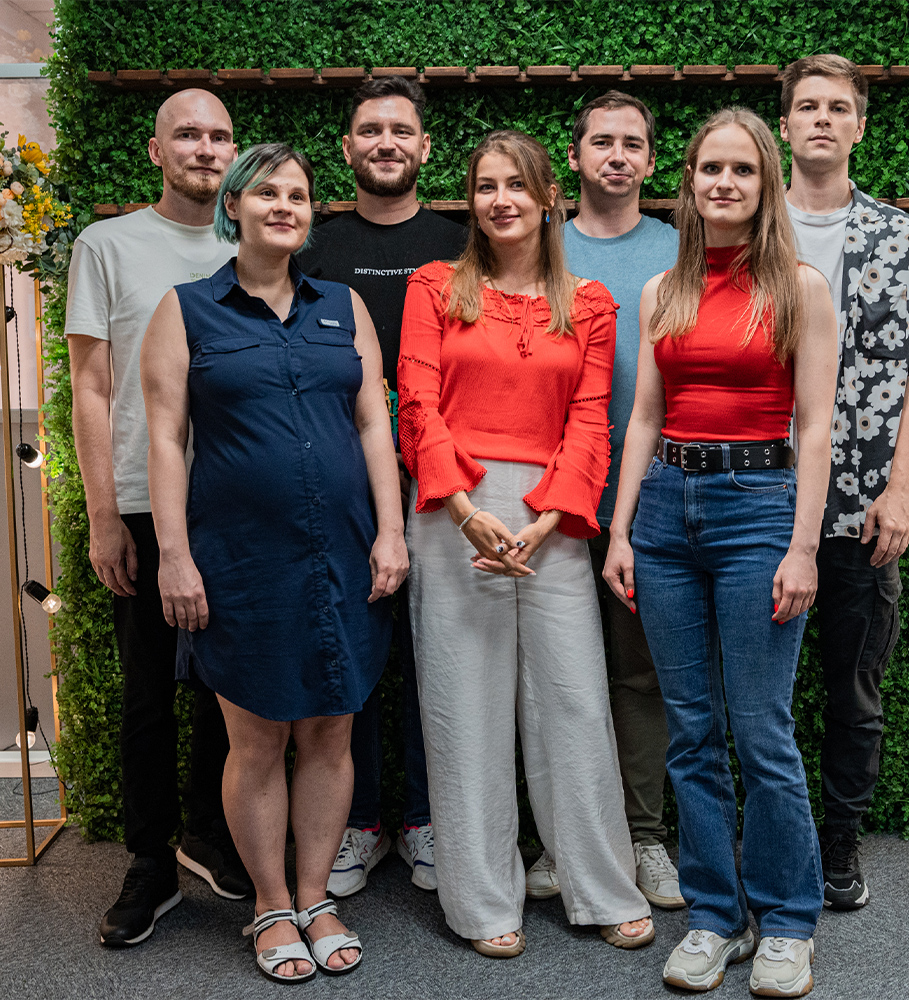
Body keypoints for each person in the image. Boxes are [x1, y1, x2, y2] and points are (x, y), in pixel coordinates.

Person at [141, 143, 407, 981]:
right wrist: (175, 556)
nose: (284, 206)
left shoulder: (343, 306)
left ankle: (316, 897)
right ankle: (269, 905)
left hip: (343, 555)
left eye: (297, 194)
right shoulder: (186, 310)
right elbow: (165, 439)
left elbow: (374, 422)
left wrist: (391, 531)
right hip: (240, 564)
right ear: (235, 206)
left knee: (331, 732)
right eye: (266, 194)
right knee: (254, 740)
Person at [398, 129, 653, 959]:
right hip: (453, 508)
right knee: (463, 708)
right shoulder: (435, 287)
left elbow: (590, 418)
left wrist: (548, 519)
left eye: (517, 185)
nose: (500, 199)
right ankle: (481, 903)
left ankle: (603, 887)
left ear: (549, 197)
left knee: (574, 703)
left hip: (554, 516)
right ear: (470, 200)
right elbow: (417, 404)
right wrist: (465, 511)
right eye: (485, 185)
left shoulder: (589, 303)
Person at [604, 108, 838, 995]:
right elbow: (644, 418)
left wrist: (803, 547)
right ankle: (714, 916)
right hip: (666, 513)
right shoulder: (662, 290)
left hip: (758, 512)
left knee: (762, 729)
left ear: (766, 183)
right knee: (691, 730)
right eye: (711, 168)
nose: (725, 182)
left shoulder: (800, 288)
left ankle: (787, 922)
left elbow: (815, 428)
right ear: (691, 182)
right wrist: (622, 529)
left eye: (743, 169)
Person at [778, 54, 909, 909]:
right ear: (785, 124)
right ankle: (771, 841)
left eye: (837, 107)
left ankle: (840, 847)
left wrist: (900, 490)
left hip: (861, 506)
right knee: (760, 693)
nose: (822, 118)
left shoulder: (902, 239)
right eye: (807, 106)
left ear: (859, 126)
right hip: (765, 499)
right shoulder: (752, 231)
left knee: (854, 691)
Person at [65, 89, 249, 948]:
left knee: (230, 686)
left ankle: (208, 835)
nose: (205, 149)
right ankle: (149, 861)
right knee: (147, 694)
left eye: (219, 137)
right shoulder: (107, 245)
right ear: (155, 151)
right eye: (188, 135)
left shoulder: (251, 242)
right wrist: (105, 513)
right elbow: (91, 387)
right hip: (142, 500)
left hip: (234, 501)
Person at [296, 76, 466, 895]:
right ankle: (358, 822)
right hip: (342, 487)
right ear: (347, 148)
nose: (386, 142)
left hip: (448, 485)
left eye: (401, 130)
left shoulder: (462, 245)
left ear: (425, 147)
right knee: (352, 655)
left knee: (439, 653)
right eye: (370, 130)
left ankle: (428, 818)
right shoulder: (312, 249)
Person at [523, 90, 684, 909]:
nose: (617, 155)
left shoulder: (679, 251)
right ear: (575, 157)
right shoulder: (536, 246)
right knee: (550, 675)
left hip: (648, 499)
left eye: (632, 143)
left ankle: (643, 837)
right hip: (544, 499)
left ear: (651, 161)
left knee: (638, 675)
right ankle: (560, 840)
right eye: (601, 142)